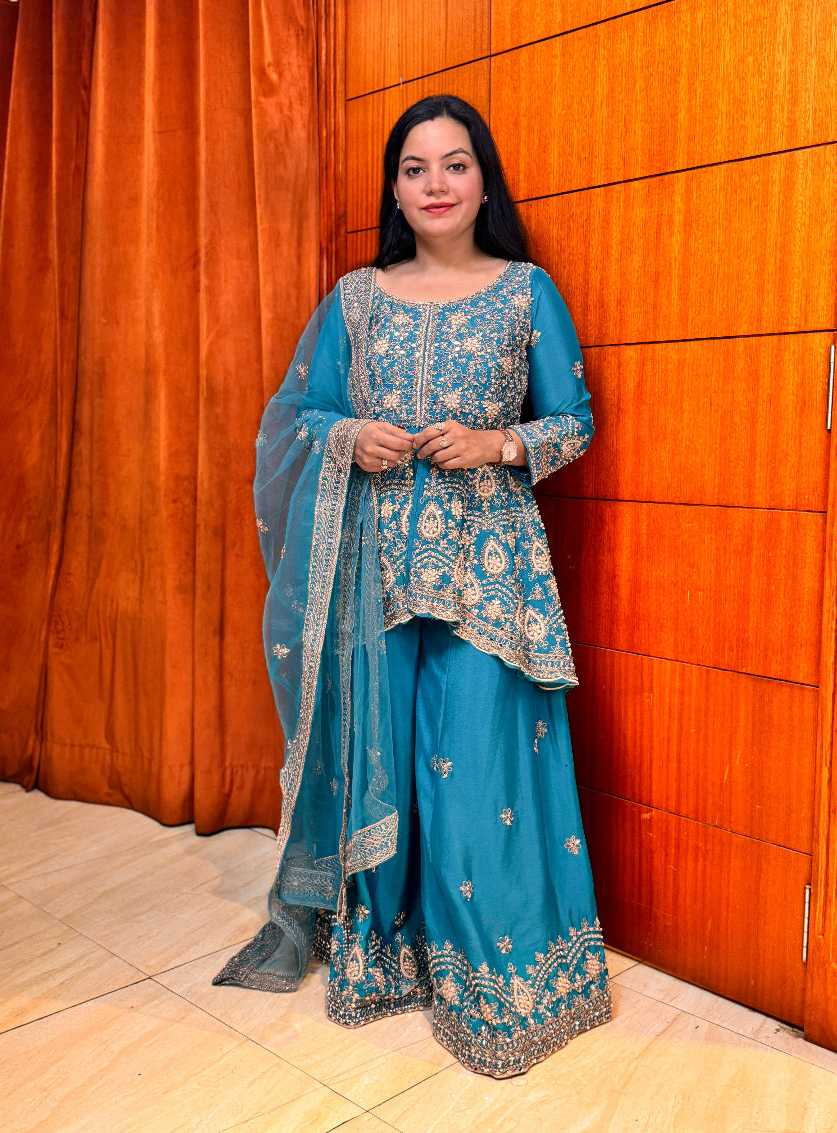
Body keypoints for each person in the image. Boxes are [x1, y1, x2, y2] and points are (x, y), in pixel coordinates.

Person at [213, 94, 611, 1078]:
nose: (435, 184)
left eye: (455, 164)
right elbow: (306, 413)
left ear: (484, 180)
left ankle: (498, 980)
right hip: (368, 570)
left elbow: (575, 420)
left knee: (474, 767)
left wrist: (498, 440)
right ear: (394, 187)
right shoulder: (355, 297)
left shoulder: (527, 293)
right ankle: (384, 955)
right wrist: (352, 434)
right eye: (414, 168)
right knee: (377, 759)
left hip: (489, 567)